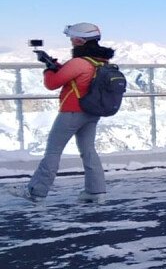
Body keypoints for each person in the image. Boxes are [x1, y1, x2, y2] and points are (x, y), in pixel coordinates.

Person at [7, 23, 115, 205]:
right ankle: (96, 192)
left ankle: (36, 191)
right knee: (88, 151)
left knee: (53, 151)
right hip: (91, 112)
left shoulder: (79, 62)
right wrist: (54, 63)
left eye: (73, 38)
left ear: (80, 40)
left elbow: (52, 83)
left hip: (71, 112)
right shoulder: (99, 61)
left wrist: (48, 68)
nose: (71, 41)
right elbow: (73, 74)